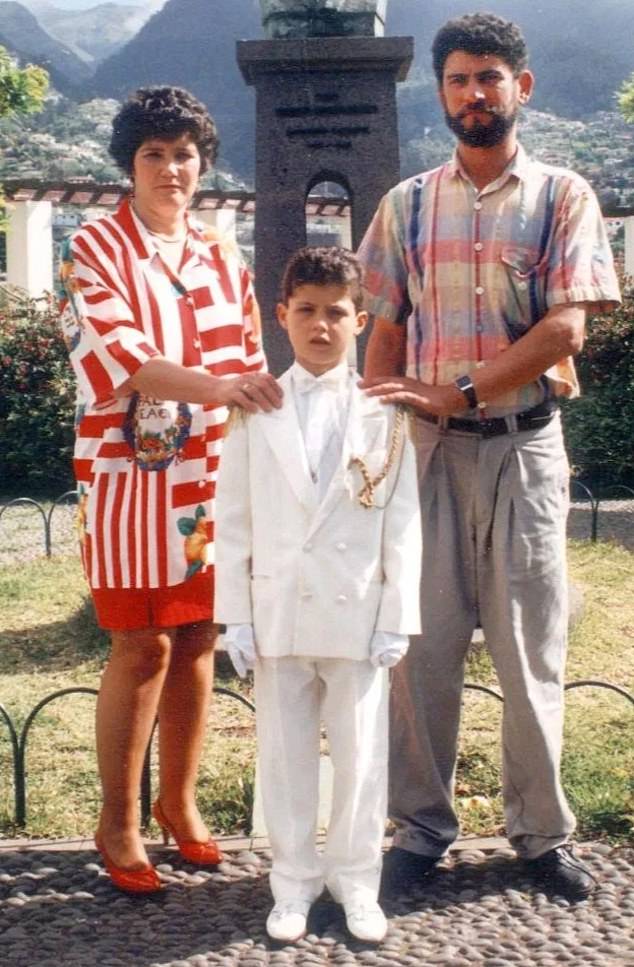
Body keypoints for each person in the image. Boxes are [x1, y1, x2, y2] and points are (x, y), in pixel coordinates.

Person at [357, 12, 621, 901]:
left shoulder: (563, 197)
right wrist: (380, 437)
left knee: (527, 648)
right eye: (460, 78)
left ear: (523, 88)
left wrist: (460, 390)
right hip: (425, 456)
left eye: (491, 77)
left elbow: (566, 326)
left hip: (521, 449)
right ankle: (420, 827)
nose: (476, 93)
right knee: (417, 648)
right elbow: (384, 328)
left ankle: (540, 833)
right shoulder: (407, 204)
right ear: (441, 94)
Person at [59, 85, 282, 894]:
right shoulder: (94, 246)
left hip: (210, 474)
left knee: (197, 639)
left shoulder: (222, 253)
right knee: (142, 642)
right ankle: (117, 819)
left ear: (202, 162)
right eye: (153, 154)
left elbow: (251, 349)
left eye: (183, 153)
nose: (170, 168)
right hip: (125, 474)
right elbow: (123, 359)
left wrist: (252, 404)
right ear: (131, 163)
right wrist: (223, 388)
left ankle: (178, 803)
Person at [214, 247, 422, 942]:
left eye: (337, 312)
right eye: (306, 310)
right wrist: (234, 617)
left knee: (362, 757)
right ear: (282, 316)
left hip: (356, 611)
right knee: (285, 753)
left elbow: (402, 523)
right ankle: (293, 880)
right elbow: (234, 520)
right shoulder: (255, 408)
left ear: (360, 320)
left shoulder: (383, 412)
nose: (321, 325)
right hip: (279, 608)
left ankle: (357, 881)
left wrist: (397, 615)